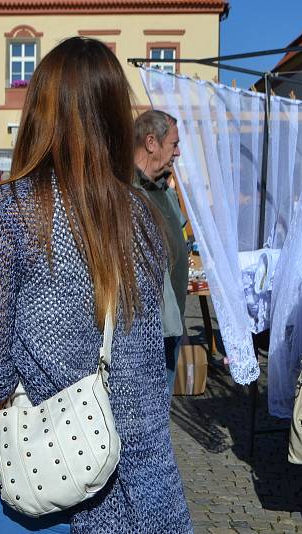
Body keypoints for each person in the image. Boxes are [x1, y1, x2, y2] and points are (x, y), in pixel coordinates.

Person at [0, 37, 191, 532]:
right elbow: (146, 371)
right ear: (114, 116)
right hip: (139, 486)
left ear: (39, 109)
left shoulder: (4, 211)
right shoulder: (142, 216)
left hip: (36, 491)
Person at [134, 110, 188, 391]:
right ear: (151, 142)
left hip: (170, 325)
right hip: (143, 334)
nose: (177, 152)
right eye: (174, 144)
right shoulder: (126, 192)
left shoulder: (163, 188)